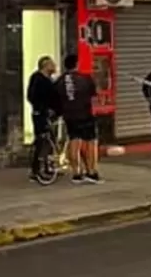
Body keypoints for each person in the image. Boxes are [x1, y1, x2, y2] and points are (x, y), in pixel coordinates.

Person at [58, 54, 101, 184]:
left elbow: (56, 99)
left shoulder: (60, 81)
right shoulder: (85, 78)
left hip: (69, 116)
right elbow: (94, 96)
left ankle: (76, 172)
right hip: (85, 114)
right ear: (77, 64)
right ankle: (91, 171)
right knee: (90, 142)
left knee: (74, 141)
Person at [27, 56, 59, 182]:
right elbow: (32, 96)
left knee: (49, 140)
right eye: (52, 64)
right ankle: (36, 170)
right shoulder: (37, 79)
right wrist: (42, 108)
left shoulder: (50, 79)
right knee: (41, 140)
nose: (55, 66)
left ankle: (47, 166)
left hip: (49, 114)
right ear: (46, 65)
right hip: (40, 114)